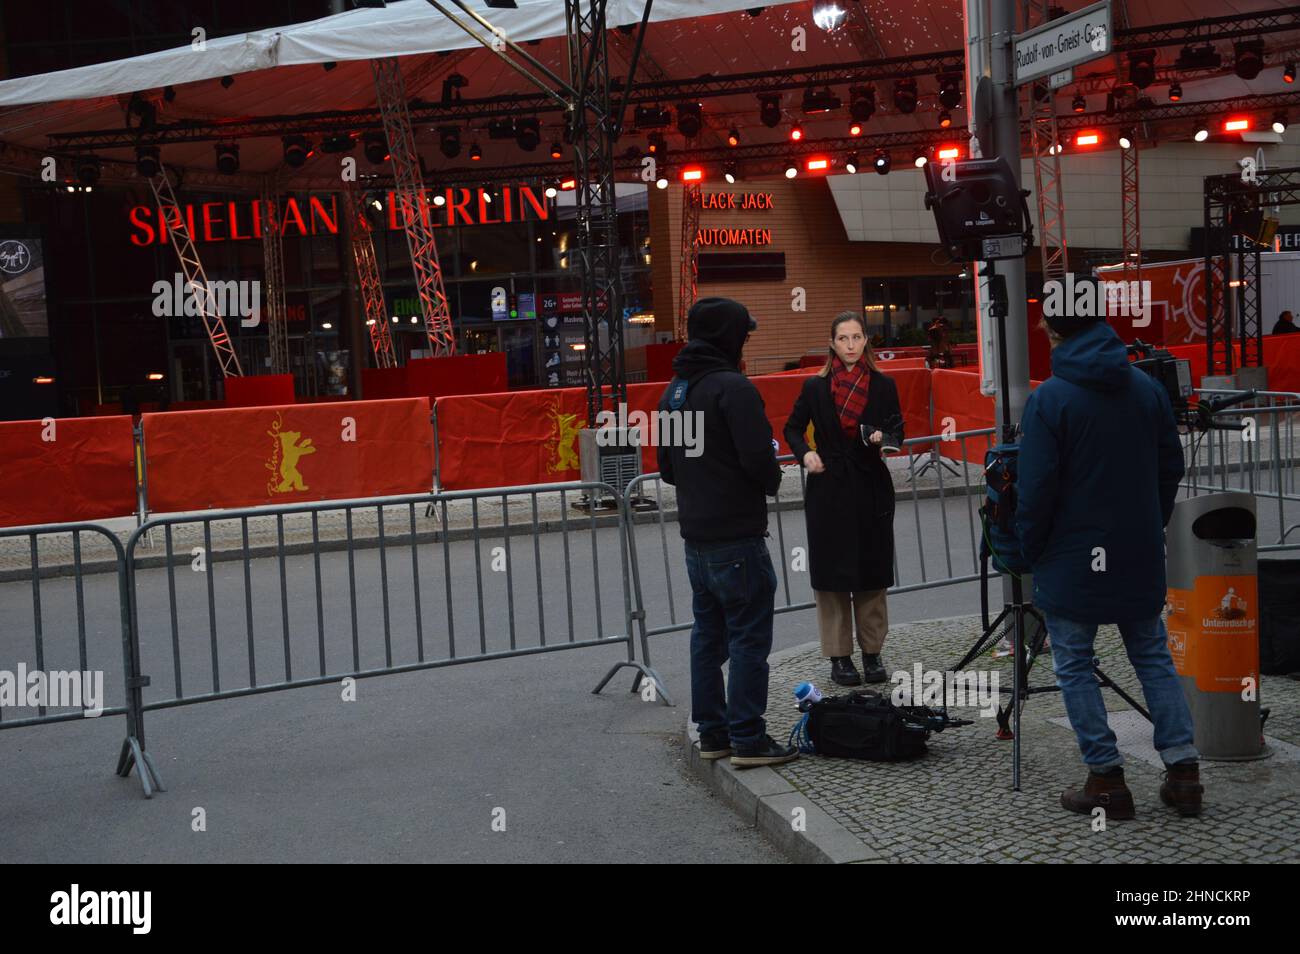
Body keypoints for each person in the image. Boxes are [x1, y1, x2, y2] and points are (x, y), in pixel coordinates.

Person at [1016, 307, 1202, 819]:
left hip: (1072, 557)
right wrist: (1150, 523)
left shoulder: (1050, 399)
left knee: (1074, 663)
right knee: (1152, 655)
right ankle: (1184, 771)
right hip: (1136, 548)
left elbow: (1035, 490)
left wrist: (1030, 549)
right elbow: (1170, 466)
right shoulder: (1146, 389)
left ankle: (1106, 779)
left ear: (1054, 334)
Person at [657, 297, 796, 769]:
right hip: (737, 537)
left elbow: (667, 469)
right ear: (728, 337)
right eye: (745, 333)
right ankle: (748, 739)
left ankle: (713, 733)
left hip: (696, 540)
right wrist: (769, 481)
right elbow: (760, 460)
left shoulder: (675, 391)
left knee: (707, 638)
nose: (748, 341)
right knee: (749, 640)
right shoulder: (733, 389)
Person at [784, 311, 903, 688]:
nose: (850, 345)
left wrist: (882, 438)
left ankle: (872, 653)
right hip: (828, 488)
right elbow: (791, 428)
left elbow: (898, 429)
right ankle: (839, 657)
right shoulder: (814, 388)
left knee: (871, 574)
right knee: (833, 578)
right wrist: (805, 454)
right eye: (843, 339)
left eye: (856, 337)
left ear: (866, 341)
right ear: (832, 344)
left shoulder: (884, 385)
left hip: (870, 486)